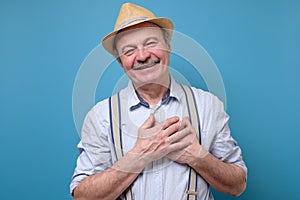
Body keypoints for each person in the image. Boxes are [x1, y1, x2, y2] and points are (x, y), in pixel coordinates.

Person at [70, 2, 247, 200]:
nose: (143, 56)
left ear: (168, 48)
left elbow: (238, 185)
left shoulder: (208, 105)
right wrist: (138, 155)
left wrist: (199, 157)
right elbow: (82, 196)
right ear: (121, 62)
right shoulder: (100, 116)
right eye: (129, 51)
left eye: (151, 43)